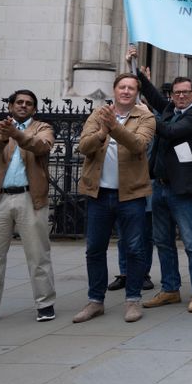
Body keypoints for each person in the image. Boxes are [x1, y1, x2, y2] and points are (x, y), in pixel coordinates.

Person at [130, 48, 192, 314]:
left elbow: (171, 131)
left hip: (183, 189)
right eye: (176, 93)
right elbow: (152, 94)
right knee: (163, 241)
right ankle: (170, 289)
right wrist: (134, 66)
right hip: (160, 186)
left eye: (185, 93)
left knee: (191, 243)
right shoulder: (168, 108)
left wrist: (147, 114)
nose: (180, 97)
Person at [0, 90, 57, 327]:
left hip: (31, 198)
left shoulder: (42, 127)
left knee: (38, 256)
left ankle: (45, 304)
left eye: (28, 104)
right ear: (11, 106)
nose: (23, 106)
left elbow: (43, 147)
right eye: (19, 102)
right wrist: (3, 138)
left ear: (34, 109)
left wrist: (17, 133)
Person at [71, 73, 156, 324]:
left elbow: (138, 145)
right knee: (95, 249)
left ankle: (133, 300)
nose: (126, 91)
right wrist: (101, 132)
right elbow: (83, 146)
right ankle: (95, 300)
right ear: (115, 90)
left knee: (134, 248)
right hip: (98, 193)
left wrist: (114, 127)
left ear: (136, 93)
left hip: (131, 195)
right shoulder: (98, 115)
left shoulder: (146, 116)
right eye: (122, 87)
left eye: (131, 88)